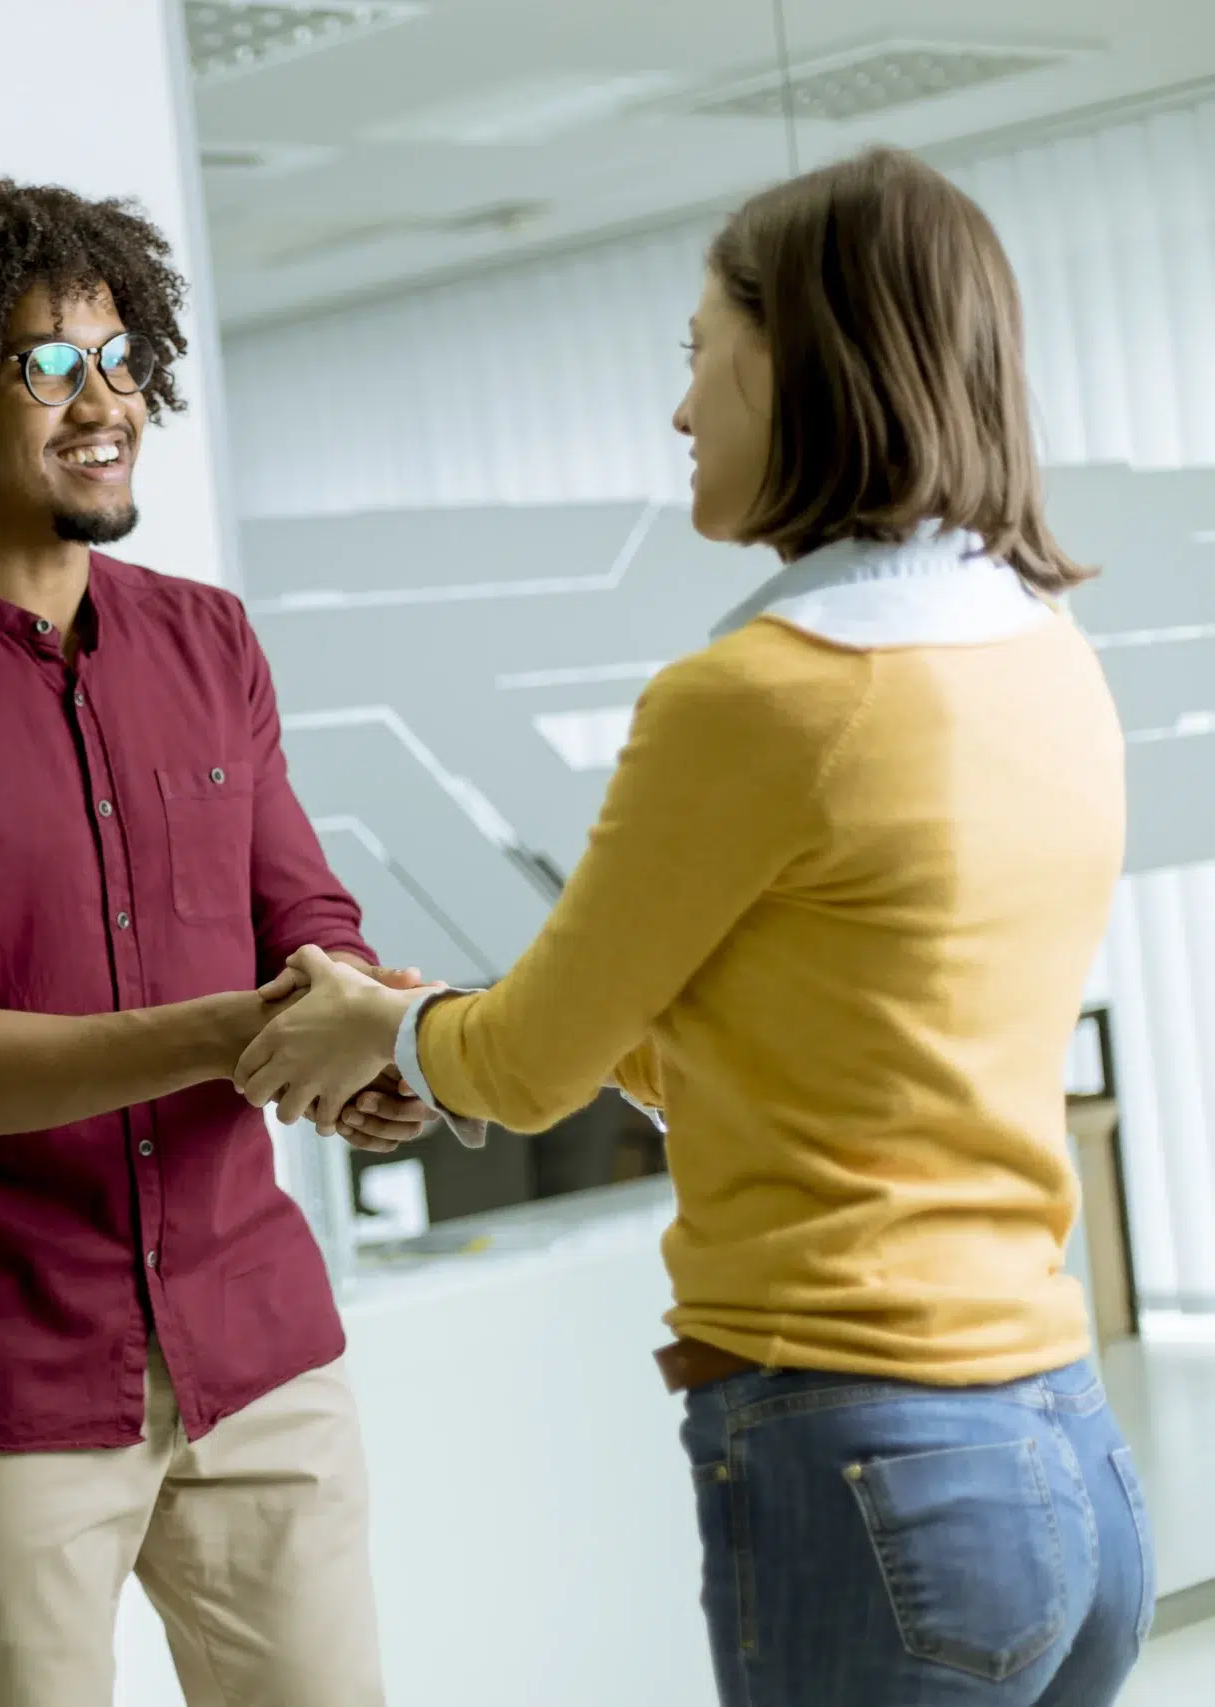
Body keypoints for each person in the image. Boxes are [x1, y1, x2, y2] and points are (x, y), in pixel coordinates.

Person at [235, 148, 1156, 1706]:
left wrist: (377, 1027)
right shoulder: (1042, 650)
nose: (678, 413)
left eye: (697, 357)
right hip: (1065, 1442)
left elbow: (523, 1069)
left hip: (867, 1453)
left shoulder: (759, 694)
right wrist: (487, 1022)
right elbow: (824, 1047)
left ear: (798, 366)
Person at [0, 170, 435, 1707]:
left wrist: (370, 1042)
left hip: (262, 1351)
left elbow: (304, 915)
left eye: (120, 357)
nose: (102, 395)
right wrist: (231, 1030)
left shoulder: (209, 636)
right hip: (7, 1383)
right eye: (47, 363)